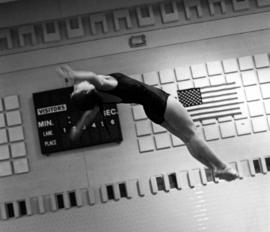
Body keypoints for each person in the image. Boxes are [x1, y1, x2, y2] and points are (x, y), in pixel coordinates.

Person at [58, 65, 239, 181]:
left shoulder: (99, 100)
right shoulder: (103, 85)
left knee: (187, 140)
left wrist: (77, 130)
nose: (77, 85)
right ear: (86, 92)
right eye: (76, 89)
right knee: (192, 134)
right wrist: (73, 73)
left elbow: (87, 117)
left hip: (151, 110)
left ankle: (213, 168)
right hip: (159, 100)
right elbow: (90, 74)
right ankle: (223, 166)